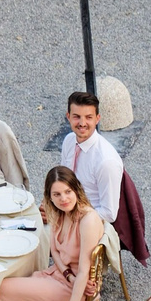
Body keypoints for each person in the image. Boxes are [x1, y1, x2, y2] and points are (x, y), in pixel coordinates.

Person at [0, 166, 109, 301]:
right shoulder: (59, 212)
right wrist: (69, 276)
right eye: (57, 194)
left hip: (78, 293)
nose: (64, 199)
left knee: (2, 291)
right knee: (1, 286)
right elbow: (55, 252)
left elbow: (83, 272)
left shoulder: (87, 220)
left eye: (68, 192)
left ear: (76, 190)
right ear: (50, 197)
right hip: (64, 277)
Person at [58, 91, 122, 225]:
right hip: (66, 209)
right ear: (68, 117)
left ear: (97, 119)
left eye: (88, 117)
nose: (82, 123)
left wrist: (71, 216)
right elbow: (63, 180)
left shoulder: (106, 162)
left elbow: (109, 214)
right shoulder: (69, 141)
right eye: (76, 117)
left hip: (91, 224)